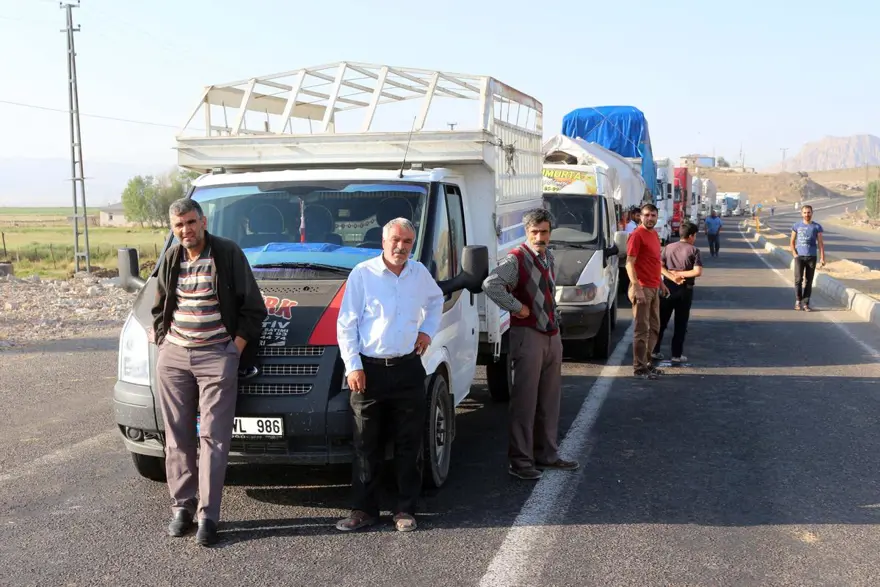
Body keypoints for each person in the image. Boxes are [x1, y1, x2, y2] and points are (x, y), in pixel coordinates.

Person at [152, 198, 267, 546]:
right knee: (176, 438)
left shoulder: (227, 253)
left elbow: (254, 309)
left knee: (214, 439)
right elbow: (157, 306)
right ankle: (182, 508)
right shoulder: (171, 259)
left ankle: (208, 516)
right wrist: (162, 341)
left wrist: (235, 349)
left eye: (190, 222)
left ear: (203, 221)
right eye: (178, 226)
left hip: (216, 356)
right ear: (173, 230)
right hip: (174, 356)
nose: (185, 230)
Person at [335, 218, 444, 533]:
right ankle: (363, 510)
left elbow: (436, 301)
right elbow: (347, 323)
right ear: (383, 241)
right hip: (368, 371)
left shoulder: (418, 273)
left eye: (407, 242)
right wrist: (352, 364)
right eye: (395, 240)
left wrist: (427, 331)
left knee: (410, 443)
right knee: (365, 443)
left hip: (408, 367)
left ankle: (405, 510)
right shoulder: (363, 274)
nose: (401, 247)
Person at [483, 208, 579, 481]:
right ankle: (520, 461)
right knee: (525, 401)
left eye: (544, 232)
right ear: (526, 232)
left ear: (550, 232)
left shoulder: (547, 255)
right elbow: (491, 284)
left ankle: (547, 455)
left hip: (550, 334)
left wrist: (555, 320)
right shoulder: (516, 259)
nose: (540, 236)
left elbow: (548, 293)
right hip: (528, 335)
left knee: (549, 400)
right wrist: (516, 307)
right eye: (534, 232)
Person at [626, 203, 669, 380]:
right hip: (641, 287)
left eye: (653, 215)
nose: (650, 218)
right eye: (646, 215)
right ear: (640, 216)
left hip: (653, 286)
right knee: (641, 329)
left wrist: (661, 283)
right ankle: (639, 368)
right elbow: (629, 263)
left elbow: (654, 262)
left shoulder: (654, 234)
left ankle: (648, 362)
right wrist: (637, 288)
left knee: (655, 328)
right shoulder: (636, 235)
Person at [652, 221, 703, 364]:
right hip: (685, 290)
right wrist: (681, 274)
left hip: (667, 288)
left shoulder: (668, 247)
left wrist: (672, 275)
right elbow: (697, 271)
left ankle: (655, 350)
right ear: (692, 236)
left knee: (661, 321)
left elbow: (659, 267)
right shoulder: (694, 251)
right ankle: (676, 354)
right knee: (681, 323)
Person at [790, 205, 826, 311]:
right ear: (802, 214)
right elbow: (792, 241)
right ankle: (798, 300)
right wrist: (794, 254)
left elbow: (820, 243)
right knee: (798, 280)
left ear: (812, 213)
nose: (807, 214)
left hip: (812, 257)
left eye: (809, 212)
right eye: (805, 213)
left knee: (809, 281)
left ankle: (806, 303)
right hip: (799, 257)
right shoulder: (796, 226)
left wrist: (822, 258)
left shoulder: (817, 227)